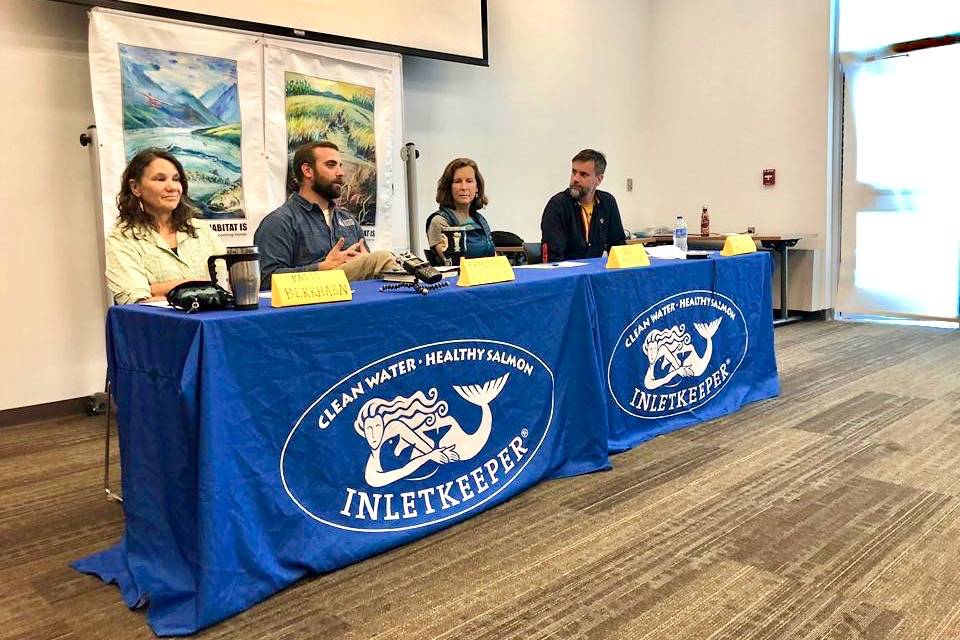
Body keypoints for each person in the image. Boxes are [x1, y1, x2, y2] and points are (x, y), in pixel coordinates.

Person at [254, 141, 397, 288]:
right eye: (331, 165)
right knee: (383, 259)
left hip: (357, 304)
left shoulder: (348, 220)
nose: (340, 173)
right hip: (311, 303)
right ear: (307, 170)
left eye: (340, 166)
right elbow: (266, 281)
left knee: (396, 263)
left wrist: (365, 260)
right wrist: (322, 267)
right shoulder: (279, 222)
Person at [105, 148, 226, 305]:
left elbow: (223, 286)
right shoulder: (122, 237)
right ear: (135, 187)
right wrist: (199, 284)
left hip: (209, 325)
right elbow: (135, 300)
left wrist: (156, 289)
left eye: (176, 179)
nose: (172, 187)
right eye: (160, 179)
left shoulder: (202, 230)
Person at [540, 149, 626, 261]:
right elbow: (553, 257)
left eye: (583, 174)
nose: (575, 179)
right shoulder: (558, 205)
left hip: (595, 274)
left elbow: (618, 247)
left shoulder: (607, 202)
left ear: (599, 180)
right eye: (574, 172)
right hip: (567, 275)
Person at [425, 158, 495, 265]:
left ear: (477, 187)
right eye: (457, 181)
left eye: (469, 181)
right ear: (448, 187)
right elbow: (453, 261)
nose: (464, 187)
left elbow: (493, 256)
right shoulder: (439, 221)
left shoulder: (480, 220)